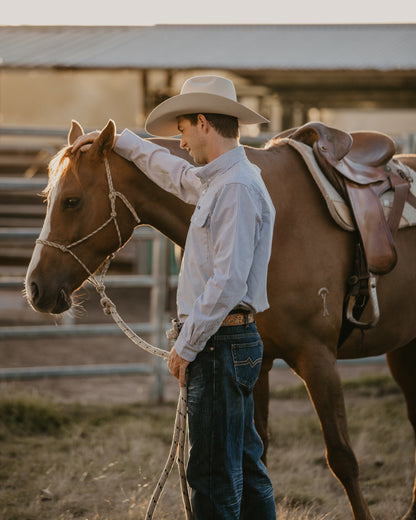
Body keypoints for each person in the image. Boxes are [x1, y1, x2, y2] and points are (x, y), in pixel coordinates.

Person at [72, 75, 276, 520]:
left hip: (219, 345)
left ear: (203, 123)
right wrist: (123, 142)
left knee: (211, 476)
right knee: (244, 465)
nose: (179, 143)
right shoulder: (223, 180)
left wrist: (186, 347)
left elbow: (227, 282)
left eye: (182, 130)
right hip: (226, 343)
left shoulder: (235, 188)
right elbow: (175, 175)